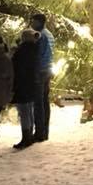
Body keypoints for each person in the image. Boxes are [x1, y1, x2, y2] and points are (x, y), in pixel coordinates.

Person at [12, 29, 39, 149]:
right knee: (29, 110)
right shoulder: (35, 49)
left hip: (22, 84)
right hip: (32, 83)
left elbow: (16, 67)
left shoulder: (22, 51)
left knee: (24, 112)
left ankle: (26, 136)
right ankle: (30, 135)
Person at [31, 14, 55, 143]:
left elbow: (38, 54)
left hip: (40, 70)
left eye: (34, 21)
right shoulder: (49, 34)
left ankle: (39, 132)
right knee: (44, 102)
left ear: (40, 22)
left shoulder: (40, 35)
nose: (32, 23)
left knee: (38, 102)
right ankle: (45, 131)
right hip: (48, 70)